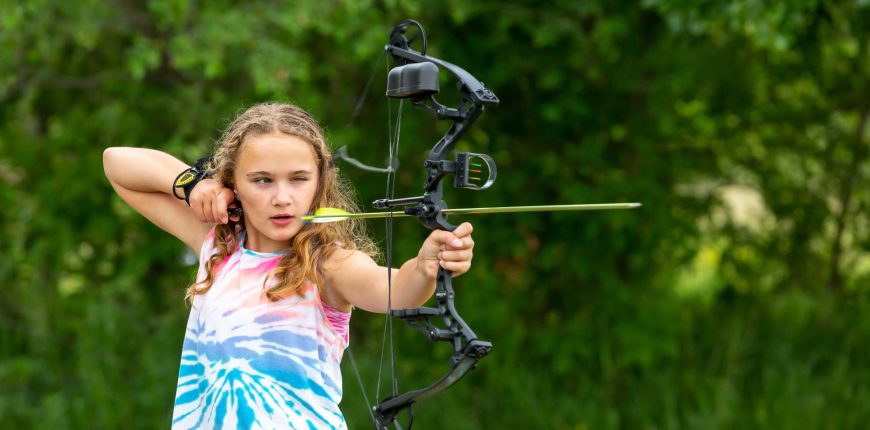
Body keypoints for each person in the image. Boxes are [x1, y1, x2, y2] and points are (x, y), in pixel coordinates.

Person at [102, 102, 475, 429]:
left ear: (319, 182)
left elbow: (395, 289)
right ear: (232, 184)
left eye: (298, 179)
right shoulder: (217, 244)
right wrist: (194, 185)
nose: (282, 197)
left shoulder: (328, 263)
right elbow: (117, 162)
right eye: (262, 180)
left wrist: (426, 265)